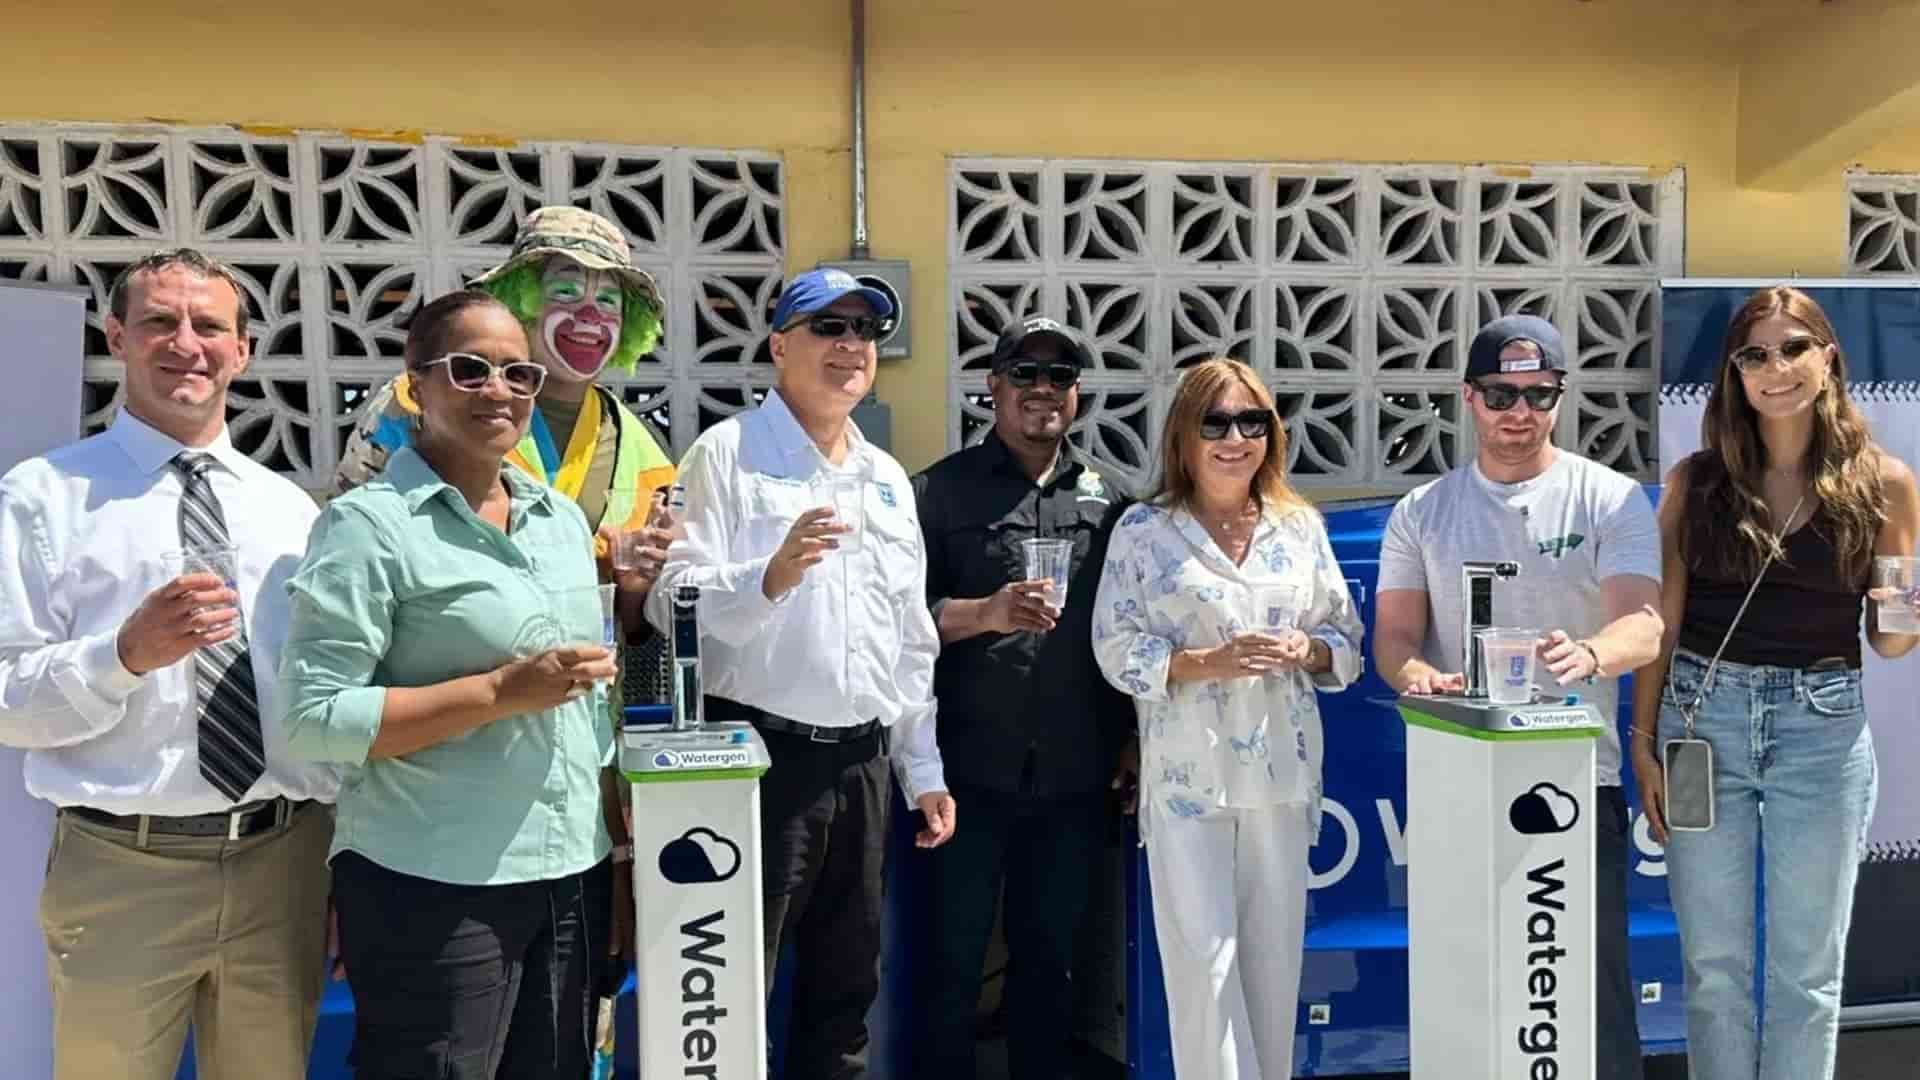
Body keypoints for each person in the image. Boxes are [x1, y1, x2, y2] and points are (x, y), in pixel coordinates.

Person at [333, 205, 677, 1037]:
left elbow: (644, 631)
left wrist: (634, 752)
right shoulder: (419, 402)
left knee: (567, 1020)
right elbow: (360, 577)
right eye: (567, 290)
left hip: (577, 775)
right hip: (436, 787)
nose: (590, 318)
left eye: (610, 303)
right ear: (521, 298)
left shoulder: (644, 441)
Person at [0, 248, 336, 1080]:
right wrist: (122, 656)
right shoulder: (43, 497)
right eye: (159, 321)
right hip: (122, 869)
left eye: (208, 325)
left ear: (242, 351)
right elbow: (6, 699)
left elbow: (320, 697)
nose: (185, 342)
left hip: (281, 860)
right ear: (117, 337)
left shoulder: (290, 510)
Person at [279, 289, 621, 1080]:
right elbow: (314, 718)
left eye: (518, 374)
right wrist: (500, 692)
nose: (497, 391)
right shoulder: (367, 526)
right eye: (469, 370)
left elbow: (580, 702)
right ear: (416, 385)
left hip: (569, 873)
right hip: (435, 886)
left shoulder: (560, 521)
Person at [647, 268, 952, 1079]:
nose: (850, 345)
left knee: (847, 988)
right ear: (780, 345)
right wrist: (768, 578)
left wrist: (921, 766)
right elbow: (667, 601)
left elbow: (909, 636)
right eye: (828, 327)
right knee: (733, 988)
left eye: (864, 332)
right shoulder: (726, 452)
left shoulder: (885, 478)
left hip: (864, 764)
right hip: (759, 762)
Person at [1630, 286, 1920, 1080]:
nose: (1775, 368)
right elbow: (1662, 620)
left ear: (1828, 358)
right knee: (1715, 968)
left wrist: (1913, 600)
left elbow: (1891, 643)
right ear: (1735, 373)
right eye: (1754, 353)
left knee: (1807, 974)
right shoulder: (1698, 480)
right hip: (1701, 725)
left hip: (1821, 731)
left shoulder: (1886, 483)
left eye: (1794, 347)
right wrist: (1644, 741)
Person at [1372, 313, 1663, 1080]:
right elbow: (1393, 640)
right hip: (1458, 783)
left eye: (1539, 394)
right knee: (1468, 991)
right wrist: (1416, 678)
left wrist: (1593, 651)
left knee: (1585, 999)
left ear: (1561, 398)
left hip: (1575, 781)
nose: (1519, 412)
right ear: (1469, 398)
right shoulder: (1422, 510)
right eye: (1501, 393)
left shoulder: (1609, 498)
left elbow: (1644, 624)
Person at [1093, 358, 1363, 1080]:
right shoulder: (1145, 532)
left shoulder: (1298, 527)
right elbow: (1115, 648)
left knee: (1275, 970)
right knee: (1203, 971)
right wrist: (1203, 662)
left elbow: (1346, 642)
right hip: (1189, 782)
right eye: (1216, 422)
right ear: (1185, 436)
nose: (1235, 437)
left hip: (1281, 776)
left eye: (1253, 422)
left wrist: (1308, 649)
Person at [910, 316, 1134, 1080]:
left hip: (1077, 774)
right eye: (1026, 373)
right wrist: (987, 612)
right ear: (992, 387)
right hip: (966, 773)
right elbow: (900, 628)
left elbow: (1128, 630)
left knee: (1052, 966)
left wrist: (1133, 738)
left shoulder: (1113, 499)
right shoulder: (937, 494)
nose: (1044, 390)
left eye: (1061, 376)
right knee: (950, 962)